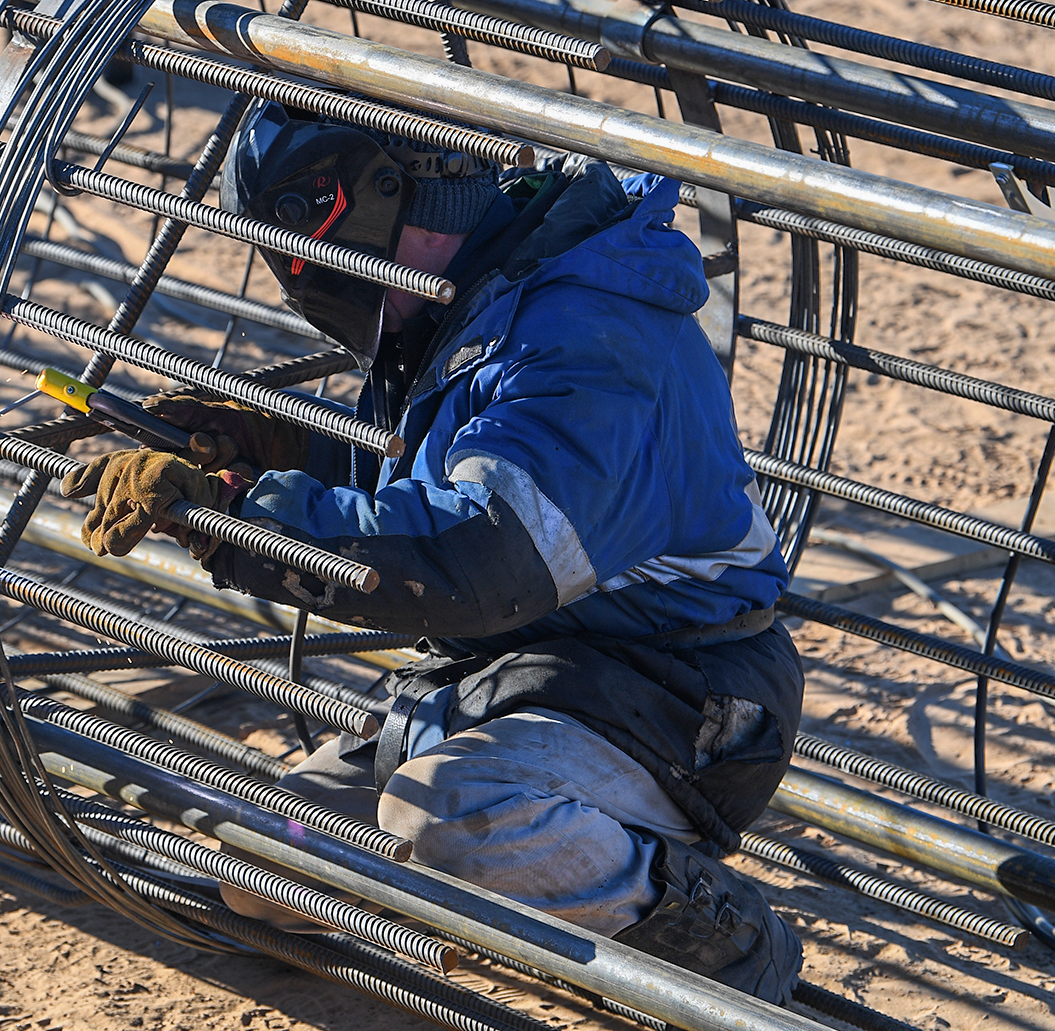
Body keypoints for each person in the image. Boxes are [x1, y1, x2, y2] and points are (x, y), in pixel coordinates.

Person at [74, 103, 804, 1001]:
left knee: (447, 815)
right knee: (265, 865)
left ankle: (722, 937)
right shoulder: (487, 298)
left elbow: (481, 553)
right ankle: (500, 895)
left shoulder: (580, 334)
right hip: (522, 677)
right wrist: (275, 449)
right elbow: (438, 482)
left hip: (675, 700)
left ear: (382, 206)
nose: (309, 282)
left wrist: (240, 511)